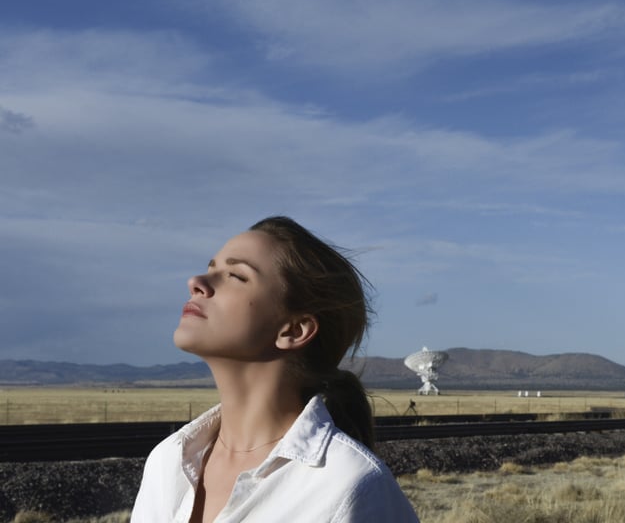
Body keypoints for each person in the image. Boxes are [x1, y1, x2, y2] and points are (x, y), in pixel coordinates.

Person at [131, 216, 419, 522]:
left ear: (293, 330)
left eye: (236, 276)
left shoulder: (349, 487)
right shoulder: (168, 462)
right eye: (211, 268)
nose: (197, 283)